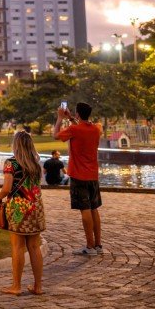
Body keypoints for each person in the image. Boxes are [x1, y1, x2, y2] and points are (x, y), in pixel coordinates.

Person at [0, 131, 46, 295]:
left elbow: (7, 188)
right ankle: (38, 286)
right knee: (34, 247)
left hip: (18, 209)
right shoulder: (35, 164)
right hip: (36, 207)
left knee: (17, 247)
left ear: (16, 145)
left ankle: (16, 286)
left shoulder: (11, 164)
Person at [54, 101, 103, 255]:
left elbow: (56, 135)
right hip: (93, 175)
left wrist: (60, 118)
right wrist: (71, 118)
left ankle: (89, 247)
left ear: (77, 113)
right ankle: (98, 245)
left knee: (85, 209)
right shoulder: (96, 129)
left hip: (78, 175)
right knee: (94, 208)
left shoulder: (74, 130)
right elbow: (82, 126)